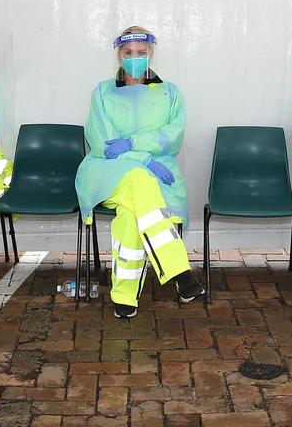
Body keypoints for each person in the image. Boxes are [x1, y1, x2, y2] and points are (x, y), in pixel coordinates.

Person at [75, 26, 202, 319]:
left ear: (151, 54)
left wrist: (131, 144)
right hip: (106, 173)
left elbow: (172, 137)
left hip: (157, 175)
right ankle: (179, 270)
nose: (134, 58)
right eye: (128, 53)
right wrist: (144, 157)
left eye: (141, 53)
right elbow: (103, 144)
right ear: (119, 55)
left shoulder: (170, 93)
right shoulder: (102, 92)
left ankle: (124, 296)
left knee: (133, 211)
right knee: (139, 178)